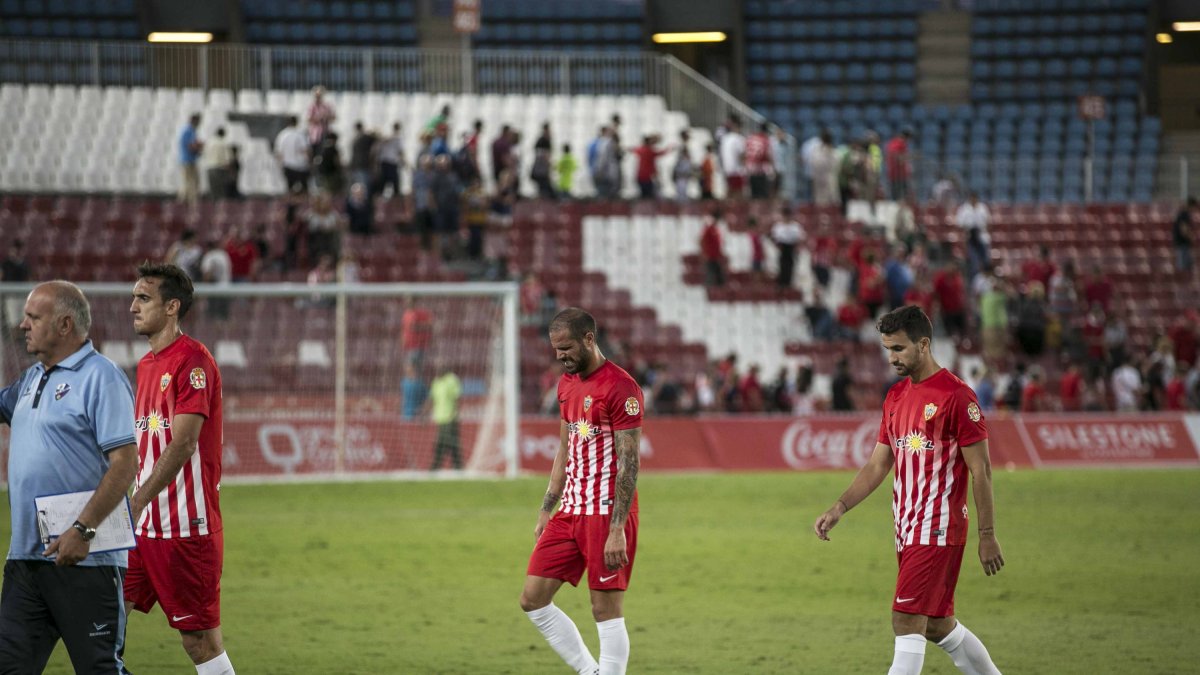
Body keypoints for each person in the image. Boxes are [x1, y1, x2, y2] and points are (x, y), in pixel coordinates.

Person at [813, 305, 1005, 675]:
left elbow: (981, 470)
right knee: (936, 625)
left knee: (905, 618)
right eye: (887, 349)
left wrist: (988, 535)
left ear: (924, 344)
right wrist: (839, 508)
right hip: (905, 526)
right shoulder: (896, 397)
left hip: (937, 526)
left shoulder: (957, 397)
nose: (891, 358)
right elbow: (877, 464)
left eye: (898, 349)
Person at [0, 281, 138, 673]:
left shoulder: (102, 378)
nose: (23, 325)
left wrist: (83, 529)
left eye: (33, 317)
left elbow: (126, 463)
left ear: (64, 325)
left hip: (86, 560)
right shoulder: (31, 379)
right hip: (27, 560)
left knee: (99, 669)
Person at [520, 307, 644, 675]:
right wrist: (547, 507)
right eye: (556, 349)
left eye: (567, 347)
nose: (560, 356)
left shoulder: (622, 388)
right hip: (570, 509)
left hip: (606, 514)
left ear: (589, 339)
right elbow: (565, 447)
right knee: (533, 600)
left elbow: (630, 463)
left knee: (604, 610)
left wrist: (618, 528)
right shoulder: (565, 384)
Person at [126, 263, 235, 675]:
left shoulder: (193, 362)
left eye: (143, 298)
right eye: (134, 296)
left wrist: (137, 499)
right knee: (104, 616)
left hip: (186, 528)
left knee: (199, 643)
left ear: (172, 307)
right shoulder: (146, 365)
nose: (132, 306)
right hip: (143, 526)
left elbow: (184, 443)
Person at [428, 363, 463, 471]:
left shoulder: (452, 380)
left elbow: (458, 397)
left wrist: (455, 413)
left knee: (442, 443)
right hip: (440, 418)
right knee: (451, 444)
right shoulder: (436, 381)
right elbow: (432, 398)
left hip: (450, 418)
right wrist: (424, 412)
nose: (438, 368)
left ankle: (435, 467)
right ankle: (458, 467)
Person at [273, 115, 310, 195]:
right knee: (304, 191)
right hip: (300, 167)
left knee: (289, 190)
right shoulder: (300, 134)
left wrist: (280, 165)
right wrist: (309, 163)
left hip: (287, 166)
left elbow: (279, 153)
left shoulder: (282, 135)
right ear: (296, 122)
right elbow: (305, 151)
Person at [178, 113, 204, 204]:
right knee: (189, 182)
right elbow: (191, 146)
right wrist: (199, 148)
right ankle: (188, 202)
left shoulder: (192, 131)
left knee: (194, 182)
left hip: (191, 160)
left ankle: (189, 201)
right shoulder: (188, 131)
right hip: (187, 160)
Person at [1173, 197, 1195, 274]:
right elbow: (1184, 229)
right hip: (1182, 243)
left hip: (1181, 243)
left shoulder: (1182, 213)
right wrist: (1191, 237)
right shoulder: (1184, 214)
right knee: (1183, 268)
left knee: (1186, 266)